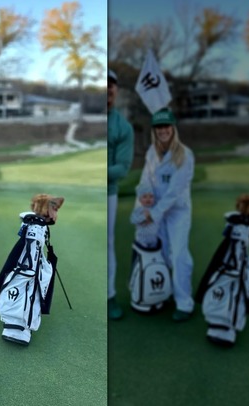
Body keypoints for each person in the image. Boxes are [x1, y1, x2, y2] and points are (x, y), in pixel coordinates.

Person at [138, 107, 195, 322]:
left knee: (179, 255)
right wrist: (143, 202)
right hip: (156, 211)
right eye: (159, 127)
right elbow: (145, 181)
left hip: (177, 212)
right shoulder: (151, 153)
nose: (163, 130)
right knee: (160, 255)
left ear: (173, 128)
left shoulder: (185, 155)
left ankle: (184, 303)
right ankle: (163, 293)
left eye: (166, 126)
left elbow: (174, 192)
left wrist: (154, 213)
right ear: (155, 130)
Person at [107, 69, 134, 320]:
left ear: (115, 91)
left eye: (111, 86)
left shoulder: (122, 126)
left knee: (108, 244)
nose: (107, 89)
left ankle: (110, 296)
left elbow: (122, 168)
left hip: (108, 193)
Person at [130, 183, 159, 249]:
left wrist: (151, 218)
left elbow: (157, 219)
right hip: (142, 240)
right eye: (145, 197)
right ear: (140, 199)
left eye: (151, 196)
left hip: (153, 239)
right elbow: (133, 220)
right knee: (143, 255)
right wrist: (144, 217)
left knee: (154, 256)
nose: (148, 199)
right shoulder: (139, 210)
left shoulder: (155, 209)